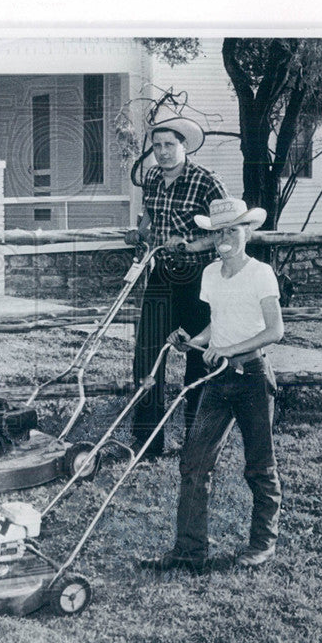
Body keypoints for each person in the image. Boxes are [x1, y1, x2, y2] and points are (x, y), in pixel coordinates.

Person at [139, 197, 284, 572]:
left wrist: (228, 349)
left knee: (259, 465)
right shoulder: (209, 275)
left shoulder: (261, 273)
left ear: (246, 232)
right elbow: (215, 324)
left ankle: (262, 544)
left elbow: (275, 330)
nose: (225, 238)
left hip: (252, 377)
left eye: (233, 230)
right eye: (219, 231)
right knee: (193, 463)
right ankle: (189, 551)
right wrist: (194, 340)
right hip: (217, 380)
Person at [126, 116, 228, 459]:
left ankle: (197, 442)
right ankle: (147, 443)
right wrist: (140, 231)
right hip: (161, 277)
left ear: (185, 147)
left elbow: (229, 230)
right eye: (157, 146)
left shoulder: (206, 182)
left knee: (197, 360)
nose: (164, 152)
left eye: (170, 145)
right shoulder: (153, 177)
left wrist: (191, 245)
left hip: (198, 281)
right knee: (147, 357)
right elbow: (151, 213)